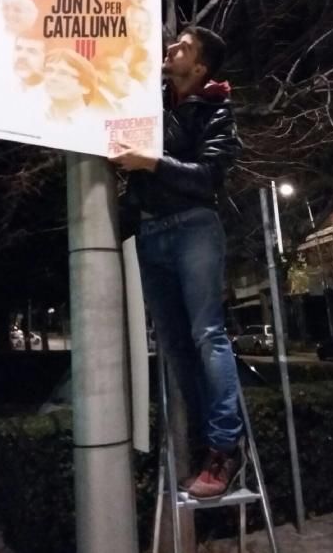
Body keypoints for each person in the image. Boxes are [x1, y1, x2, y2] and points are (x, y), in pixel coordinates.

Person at [109, 26, 244, 500]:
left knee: (207, 334)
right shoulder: (155, 103)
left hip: (193, 228)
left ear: (201, 68)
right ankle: (209, 442)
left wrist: (152, 163)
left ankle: (225, 448)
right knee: (174, 345)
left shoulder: (216, 109)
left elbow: (209, 177)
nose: (171, 48)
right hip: (150, 231)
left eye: (183, 47)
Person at [43, 47, 97, 122]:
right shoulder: (33, 117)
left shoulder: (95, 122)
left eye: (63, 73)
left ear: (86, 87)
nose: (52, 77)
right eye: (49, 70)